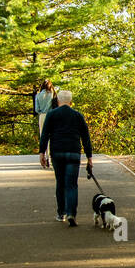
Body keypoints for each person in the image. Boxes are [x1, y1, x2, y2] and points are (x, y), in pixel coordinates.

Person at [38, 89, 94, 227]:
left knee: (60, 183)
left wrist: (42, 153)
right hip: (74, 152)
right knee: (72, 185)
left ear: (57, 101)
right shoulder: (77, 115)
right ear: (71, 102)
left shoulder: (51, 114)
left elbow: (45, 134)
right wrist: (89, 157)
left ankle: (61, 213)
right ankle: (71, 214)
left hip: (57, 153)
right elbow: (85, 137)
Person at [33, 80, 54, 158]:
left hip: (42, 115)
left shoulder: (38, 95)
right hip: (51, 115)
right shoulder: (51, 94)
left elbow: (36, 109)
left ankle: (45, 155)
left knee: (43, 136)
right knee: (52, 135)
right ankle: (51, 155)